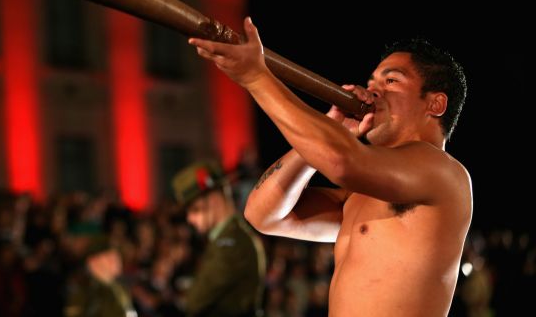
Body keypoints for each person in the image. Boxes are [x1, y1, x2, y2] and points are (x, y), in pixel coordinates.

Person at [188, 18, 472, 316]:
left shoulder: (443, 172)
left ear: (435, 104)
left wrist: (257, 78)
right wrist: (331, 127)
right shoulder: (357, 197)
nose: (373, 91)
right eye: (372, 82)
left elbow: (341, 162)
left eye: (391, 81)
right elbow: (262, 214)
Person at [172, 160, 266, 317]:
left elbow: (194, 302)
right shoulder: (229, 237)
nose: (190, 218)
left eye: (195, 209)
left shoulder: (231, 244)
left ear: (214, 199)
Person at [65, 234, 137, 317]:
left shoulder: (120, 288)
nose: (116, 260)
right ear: (93, 262)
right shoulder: (84, 290)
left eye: (117, 256)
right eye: (109, 257)